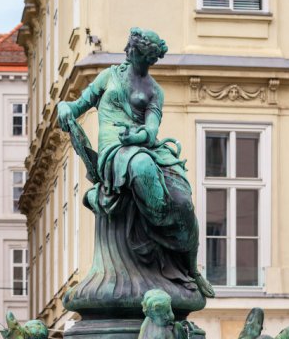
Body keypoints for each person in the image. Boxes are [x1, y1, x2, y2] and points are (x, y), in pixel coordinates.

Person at [57, 28, 214, 300]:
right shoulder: (108, 77)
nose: (134, 59)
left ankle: (190, 268)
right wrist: (63, 107)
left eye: (143, 57)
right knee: (141, 166)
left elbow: (151, 130)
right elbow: (77, 105)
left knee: (183, 201)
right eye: (134, 53)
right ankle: (157, 230)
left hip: (143, 146)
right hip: (114, 150)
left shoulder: (154, 91)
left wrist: (139, 135)